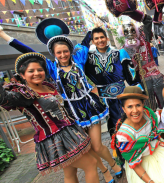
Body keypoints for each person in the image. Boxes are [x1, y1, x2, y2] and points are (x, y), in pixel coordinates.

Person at [0, 20, 122, 183]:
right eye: (59, 53)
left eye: (66, 51)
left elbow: (88, 38)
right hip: (72, 113)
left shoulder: (78, 58)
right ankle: (106, 172)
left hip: (90, 107)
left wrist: (96, 24)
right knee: (88, 149)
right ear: (53, 53)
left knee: (97, 145)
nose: (63, 55)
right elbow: (26, 50)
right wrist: (2, 34)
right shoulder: (50, 68)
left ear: (70, 51)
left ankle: (115, 166)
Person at [0, 52, 99, 182]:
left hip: (70, 132)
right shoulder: (23, 95)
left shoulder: (48, 86)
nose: (36, 73)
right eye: (31, 71)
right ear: (22, 75)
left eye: (39, 69)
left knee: (70, 172)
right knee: (91, 164)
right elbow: (3, 98)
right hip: (55, 139)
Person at [104, 0, 164, 111]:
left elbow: (148, 20)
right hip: (143, 81)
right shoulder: (124, 50)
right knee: (150, 107)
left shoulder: (144, 36)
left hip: (155, 75)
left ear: (136, 30)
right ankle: (155, 128)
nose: (130, 33)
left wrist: (130, 11)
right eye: (126, 31)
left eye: (132, 30)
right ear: (122, 34)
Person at [112, 86, 164, 183]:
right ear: (123, 109)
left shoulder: (148, 115)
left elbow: (159, 115)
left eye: (138, 105)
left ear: (143, 105)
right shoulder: (124, 136)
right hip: (140, 164)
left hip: (158, 150)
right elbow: (135, 165)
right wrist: (149, 181)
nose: (135, 110)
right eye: (129, 107)